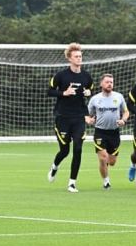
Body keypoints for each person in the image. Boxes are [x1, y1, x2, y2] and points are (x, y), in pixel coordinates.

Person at [47, 42, 94, 193]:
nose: (79, 58)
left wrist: (88, 94)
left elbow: (88, 90)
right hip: (63, 118)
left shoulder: (87, 76)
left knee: (78, 149)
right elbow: (49, 92)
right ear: (69, 58)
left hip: (79, 118)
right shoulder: (61, 75)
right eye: (76, 56)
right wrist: (63, 93)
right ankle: (55, 166)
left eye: (80, 56)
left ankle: (72, 183)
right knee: (65, 151)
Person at [85, 74, 129, 190]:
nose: (110, 84)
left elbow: (126, 112)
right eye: (107, 82)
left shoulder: (118, 97)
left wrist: (123, 120)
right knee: (103, 158)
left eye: (111, 82)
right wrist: (89, 120)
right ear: (101, 84)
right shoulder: (95, 99)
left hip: (114, 132)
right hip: (100, 132)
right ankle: (106, 181)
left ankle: (105, 167)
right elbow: (87, 114)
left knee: (112, 161)